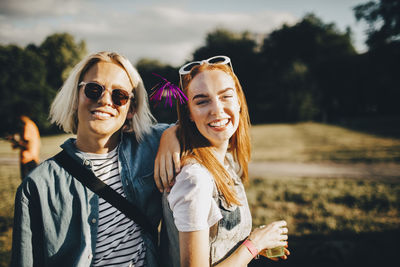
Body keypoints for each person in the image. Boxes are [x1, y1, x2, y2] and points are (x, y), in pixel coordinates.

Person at [11, 51, 179, 267]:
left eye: (119, 95)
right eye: (93, 89)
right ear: (75, 96)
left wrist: (172, 136)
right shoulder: (37, 186)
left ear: (131, 109)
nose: (105, 100)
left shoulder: (151, 147)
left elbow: (201, 127)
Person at [159, 56, 290, 267]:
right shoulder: (195, 179)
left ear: (239, 101)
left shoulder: (226, 161)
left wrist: (246, 247)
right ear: (189, 114)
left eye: (225, 96)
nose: (217, 109)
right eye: (202, 101)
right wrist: (254, 244)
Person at [6, 113, 41, 180]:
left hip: (28, 159)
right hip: (31, 158)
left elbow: (27, 145)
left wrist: (14, 140)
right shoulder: (31, 125)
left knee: (26, 183)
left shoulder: (27, 126)